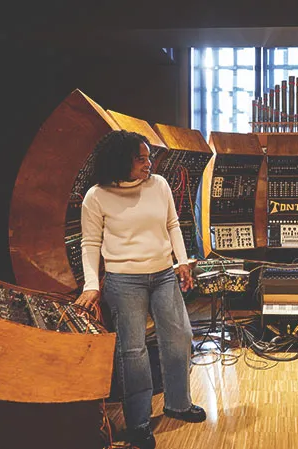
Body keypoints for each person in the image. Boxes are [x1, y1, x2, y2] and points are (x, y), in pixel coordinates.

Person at [75, 130, 204, 449]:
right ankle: (139, 424)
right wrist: (92, 285)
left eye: (149, 157)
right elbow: (90, 242)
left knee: (180, 337)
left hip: (163, 274)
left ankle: (178, 402)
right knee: (132, 353)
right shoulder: (96, 196)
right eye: (141, 158)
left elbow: (173, 224)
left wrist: (182, 262)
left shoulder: (159, 185)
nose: (149, 163)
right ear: (121, 161)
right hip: (123, 280)